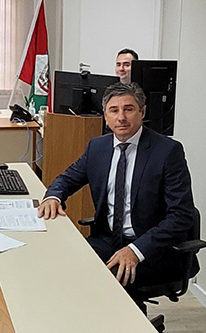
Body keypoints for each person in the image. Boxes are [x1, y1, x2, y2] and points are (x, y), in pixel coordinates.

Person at [38, 82, 196, 290]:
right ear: (105, 116)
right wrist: (53, 197)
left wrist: (136, 250)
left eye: (128, 109)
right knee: (63, 265)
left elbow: (181, 216)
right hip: (107, 239)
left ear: (142, 112)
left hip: (152, 248)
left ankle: (118, 322)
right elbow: (67, 179)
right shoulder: (98, 147)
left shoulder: (167, 152)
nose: (121, 117)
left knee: (99, 282)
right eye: (114, 110)